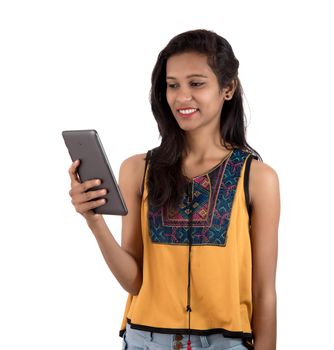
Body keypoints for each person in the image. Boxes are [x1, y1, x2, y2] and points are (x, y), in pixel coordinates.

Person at [68, 29, 280, 350]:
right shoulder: (138, 170)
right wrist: (94, 220)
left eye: (196, 83)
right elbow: (134, 281)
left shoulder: (257, 177)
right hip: (144, 340)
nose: (182, 97)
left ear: (228, 88)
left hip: (226, 343)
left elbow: (264, 291)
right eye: (172, 85)